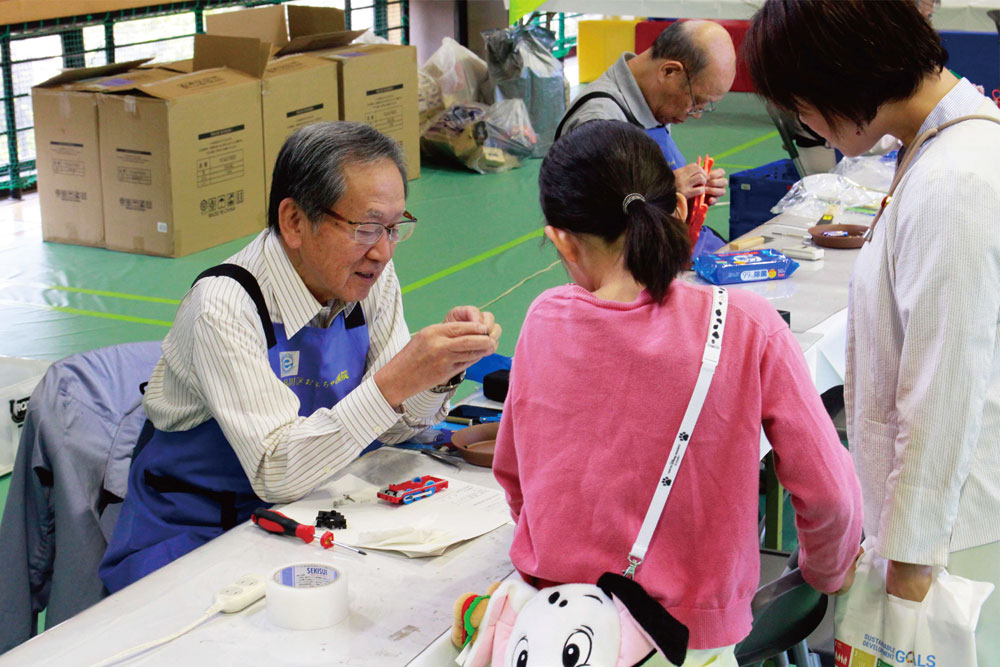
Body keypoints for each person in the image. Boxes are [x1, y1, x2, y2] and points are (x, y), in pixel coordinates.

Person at [492, 120, 863, 665]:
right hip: (691, 638)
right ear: (682, 211)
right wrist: (827, 570)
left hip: (558, 625)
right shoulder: (747, 324)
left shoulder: (545, 318)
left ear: (562, 239)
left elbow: (516, 476)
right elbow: (830, 493)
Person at [100, 122, 502, 591]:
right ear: (294, 221)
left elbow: (392, 428)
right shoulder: (224, 305)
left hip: (316, 506)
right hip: (198, 530)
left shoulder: (367, 278)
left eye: (395, 228)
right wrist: (393, 382)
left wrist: (438, 372)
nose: (383, 251)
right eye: (366, 227)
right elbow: (276, 471)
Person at [744, 1, 1000, 661]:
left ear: (836, 74)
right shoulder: (936, 149)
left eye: (797, 100)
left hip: (949, 542)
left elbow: (944, 386)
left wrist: (911, 564)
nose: (799, 119)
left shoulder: (957, 177)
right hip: (935, 531)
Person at [555, 20, 734, 204]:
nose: (696, 115)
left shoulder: (653, 105)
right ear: (669, 71)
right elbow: (587, 215)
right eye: (696, 102)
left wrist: (690, 196)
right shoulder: (599, 120)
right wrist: (666, 189)